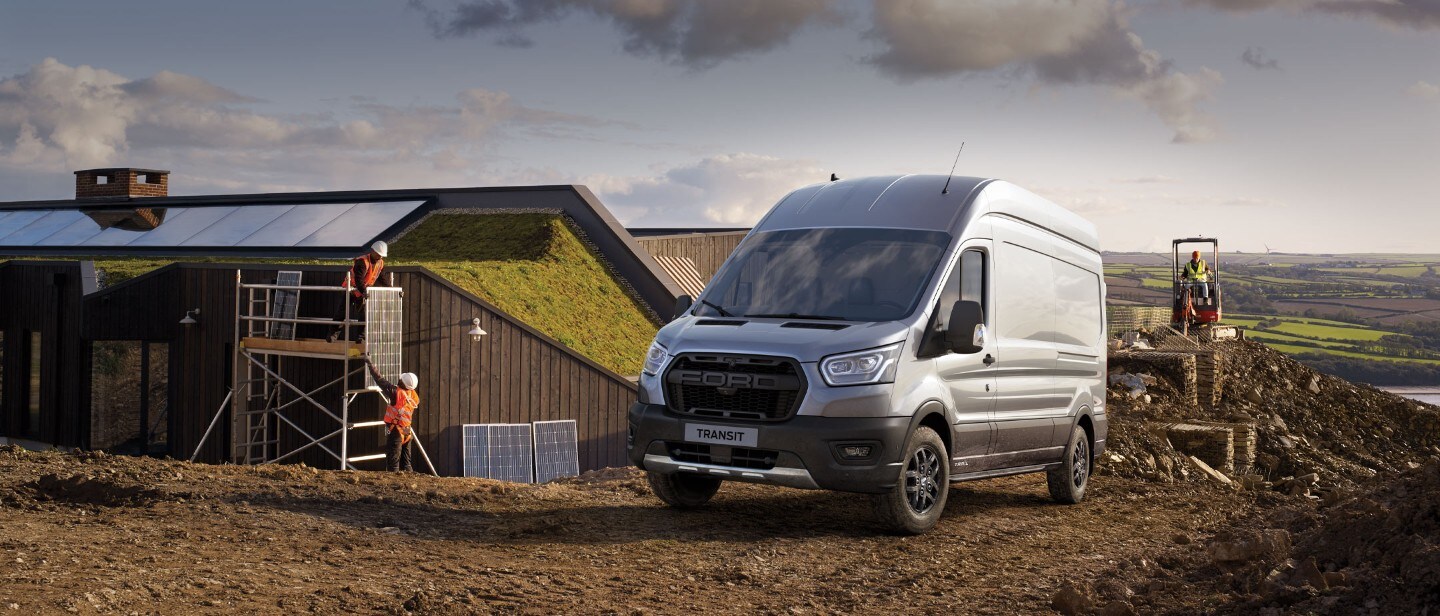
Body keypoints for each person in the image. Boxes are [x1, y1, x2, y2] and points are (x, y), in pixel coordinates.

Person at [365, 357, 419, 473]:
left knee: (393, 461)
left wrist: (370, 364)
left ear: (402, 382)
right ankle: (410, 478)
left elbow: (380, 380)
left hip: (396, 430)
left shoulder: (396, 393)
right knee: (406, 460)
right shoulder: (412, 395)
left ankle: (393, 484)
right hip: (406, 430)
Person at [329, 241, 387, 343]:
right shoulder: (362, 262)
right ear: (373, 251)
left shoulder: (380, 263)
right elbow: (358, 279)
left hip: (362, 290)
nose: (379, 257)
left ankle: (361, 338)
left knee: (364, 314)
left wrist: (391, 289)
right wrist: (364, 292)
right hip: (351, 289)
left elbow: (382, 278)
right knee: (342, 313)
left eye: (381, 255)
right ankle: (332, 336)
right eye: (378, 254)